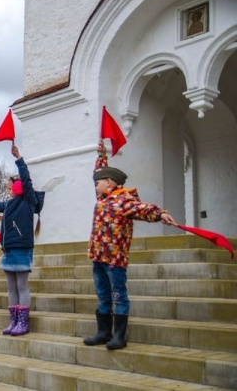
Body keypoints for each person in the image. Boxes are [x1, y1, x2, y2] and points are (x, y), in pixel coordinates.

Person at [83, 140, 175, 350]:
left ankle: (119, 336)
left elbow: (144, 209)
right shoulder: (103, 198)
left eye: (99, 182)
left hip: (115, 260)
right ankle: (103, 332)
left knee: (118, 296)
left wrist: (160, 213)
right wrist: (102, 156)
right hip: (98, 257)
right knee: (103, 295)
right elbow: (98, 172)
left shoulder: (124, 200)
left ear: (110, 182)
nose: (95, 185)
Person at [0, 144, 37, 337]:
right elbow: (1, 205)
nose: (9, 189)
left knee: (22, 286)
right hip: (8, 251)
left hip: (22, 249)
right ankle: (13, 320)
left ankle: (23, 322)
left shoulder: (28, 201)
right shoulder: (9, 204)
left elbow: (27, 180)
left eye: (11, 186)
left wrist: (19, 159)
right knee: (11, 287)